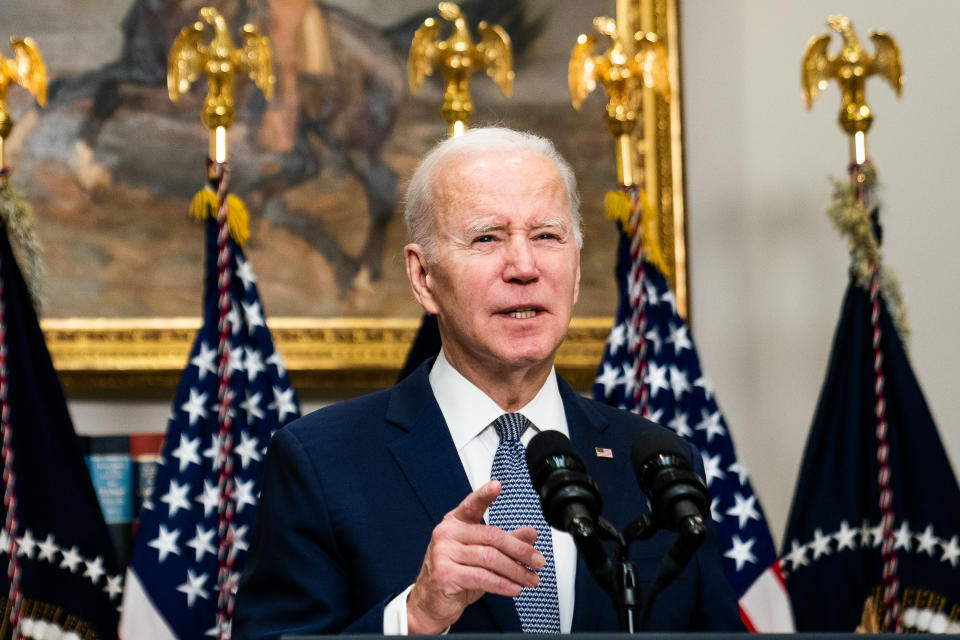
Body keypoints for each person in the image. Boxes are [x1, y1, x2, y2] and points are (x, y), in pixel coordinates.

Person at [233, 127, 744, 638]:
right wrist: (416, 616)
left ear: (577, 268)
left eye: (547, 236)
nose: (524, 267)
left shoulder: (656, 463)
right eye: (487, 238)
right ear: (423, 277)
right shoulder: (322, 462)